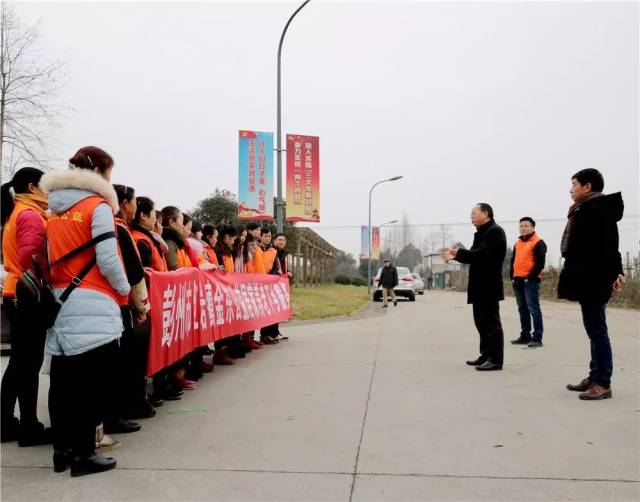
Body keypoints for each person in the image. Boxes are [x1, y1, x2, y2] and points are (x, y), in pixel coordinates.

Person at [42, 146, 130, 476]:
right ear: (102, 172)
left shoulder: (54, 212)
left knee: (63, 382)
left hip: (61, 301)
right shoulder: (99, 207)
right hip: (93, 302)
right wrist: (124, 290)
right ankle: (84, 455)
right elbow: (108, 259)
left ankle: (62, 451)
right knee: (92, 384)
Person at [558, 169, 624, 400]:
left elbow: (609, 247)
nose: (570, 189)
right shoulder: (586, 209)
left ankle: (603, 383)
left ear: (587, 186)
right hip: (590, 278)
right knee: (594, 330)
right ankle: (594, 375)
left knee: (597, 331)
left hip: (594, 279)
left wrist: (615, 273)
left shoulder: (596, 211)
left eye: (574, 184)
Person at [0, 167, 52, 446]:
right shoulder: (30, 215)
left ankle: (6, 423)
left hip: (15, 292)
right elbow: (32, 258)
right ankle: (29, 426)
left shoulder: (18, 211)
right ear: (32, 187)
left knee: (19, 364)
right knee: (27, 364)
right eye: (45, 186)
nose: (48, 191)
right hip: (27, 296)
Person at [441, 203, 506, 372]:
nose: (471, 216)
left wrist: (458, 252)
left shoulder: (495, 232)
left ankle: (495, 359)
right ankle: (485, 355)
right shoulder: (482, 233)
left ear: (486, 214)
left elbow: (483, 255)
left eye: (474, 213)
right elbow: (472, 257)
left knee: (491, 322)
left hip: (489, 285)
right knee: (481, 322)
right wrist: (455, 257)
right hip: (479, 285)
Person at [112, 185, 153, 422]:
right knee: (125, 360)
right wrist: (140, 306)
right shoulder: (120, 230)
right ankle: (123, 409)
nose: (136, 207)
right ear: (125, 203)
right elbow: (133, 272)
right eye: (134, 202)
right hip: (120, 303)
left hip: (103, 301)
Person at [509, 217, 547, 348]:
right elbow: (513, 260)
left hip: (530, 281)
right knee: (522, 309)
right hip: (517, 280)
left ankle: (537, 337)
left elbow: (540, 263)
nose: (523, 228)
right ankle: (525, 336)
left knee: (534, 309)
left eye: (526, 226)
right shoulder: (517, 243)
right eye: (521, 226)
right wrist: (512, 276)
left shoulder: (538, 242)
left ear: (533, 227)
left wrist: (529, 278)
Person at [213, 225, 239, 363]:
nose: (234, 242)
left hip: (229, 291)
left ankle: (226, 350)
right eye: (233, 239)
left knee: (228, 322)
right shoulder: (218, 252)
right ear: (227, 237)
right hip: (221, 292)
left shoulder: (228, 252)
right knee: (221, 323)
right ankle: (220, 352)